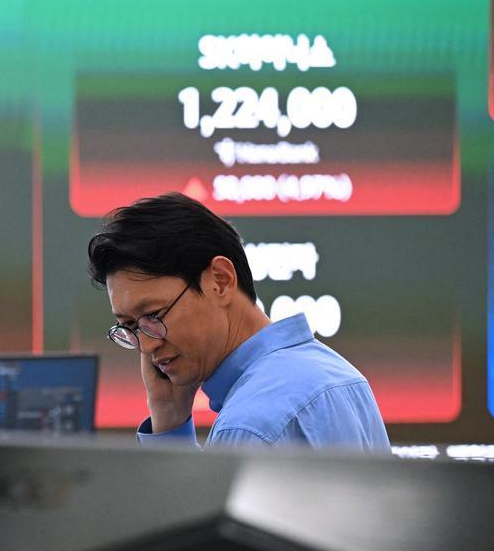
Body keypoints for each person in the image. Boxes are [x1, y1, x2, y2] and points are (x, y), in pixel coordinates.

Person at [87, 193, 389, 450]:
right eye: (130, 327)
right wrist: (168, 415)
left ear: (220, 281)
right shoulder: (343, 377)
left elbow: (185, 522)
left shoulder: (248, 426)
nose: (148, 346)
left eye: (154, 315)